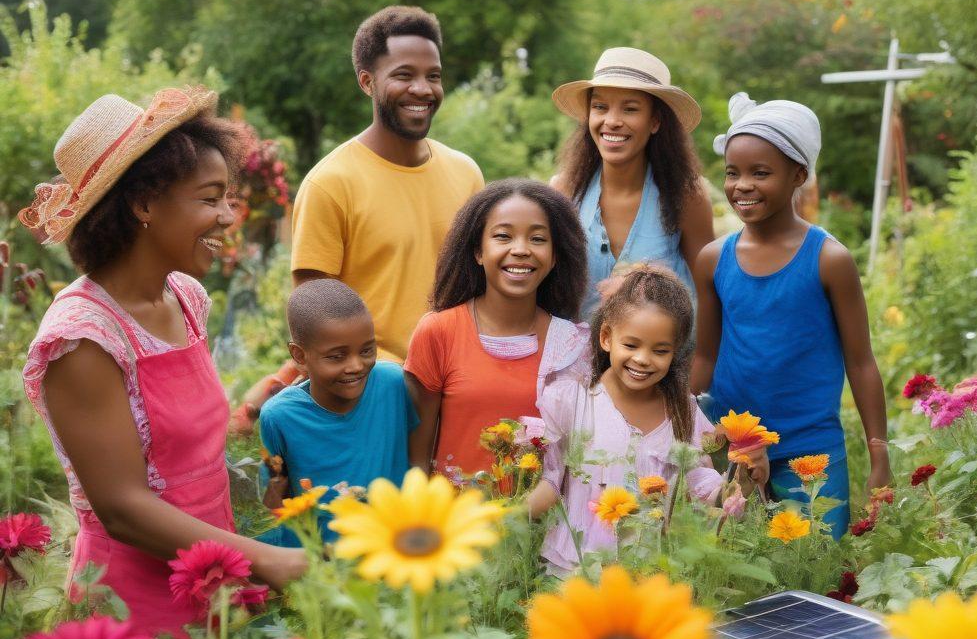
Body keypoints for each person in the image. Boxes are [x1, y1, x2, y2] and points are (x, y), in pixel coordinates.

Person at [20, 87, 307, 635]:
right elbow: (123, 508)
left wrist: (254, 413)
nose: (228, 217)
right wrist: (266, 559)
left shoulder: (185, 298)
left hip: (217, 576)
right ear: (144, 203)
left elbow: (176, 452)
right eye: (211, 198)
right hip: (135, 608)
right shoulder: (84, 339)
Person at [691, 92, 891, 538]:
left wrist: (879, 455)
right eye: (732, 172)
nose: (742, 185)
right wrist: (673, 427)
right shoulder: (712, 260)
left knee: (816, 570)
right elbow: (704, 358)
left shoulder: (829, 260)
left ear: (799, 174)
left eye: (760, 173)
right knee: (737, 577)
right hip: (732, 451)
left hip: (811, 455)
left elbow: (861, 362)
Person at [526, 264, 767, 574]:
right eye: (631, 345)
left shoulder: (683, 412)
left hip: (652, 573)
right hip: (575, 571)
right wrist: (509, 518)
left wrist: (739, 482)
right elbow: (550, 478)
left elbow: (701, 492)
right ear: (605, 337)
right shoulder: (573, 401)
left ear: (675, 352)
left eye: (660, 350)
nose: (642, 359)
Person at [290, 5, 484, 362]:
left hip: (456, 379)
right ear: (367, 82)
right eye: (404, 74)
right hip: (372, 389)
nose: (423, 89)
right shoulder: (330, 184)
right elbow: (313, 318)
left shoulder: (466, 174)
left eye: (434, 76)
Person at [404, 179, 590, 482]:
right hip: (458, 522)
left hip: (540, 524)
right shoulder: (438, 331)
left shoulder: (571, 344)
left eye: (538, 239)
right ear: (478, 251)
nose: (520, 250)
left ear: (556, 256)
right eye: (503, 236)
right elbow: (417, 459)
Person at [551, 47, 714, 319]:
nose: (612, 121)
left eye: (630, 109)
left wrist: (702, 360)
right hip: (575, 359)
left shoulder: (685, 195)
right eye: (600, 107)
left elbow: (710, 290)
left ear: (655, 121)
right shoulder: (564, 191)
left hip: (662, 359)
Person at [257, 279, 418, 543]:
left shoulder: (394, 384)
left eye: (367, 350)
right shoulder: (280, 416)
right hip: (323, 564)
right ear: (299, 356)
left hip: (393, 548)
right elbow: (276, 499)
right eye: (337, 356)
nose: (356, 365)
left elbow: (419, 458)